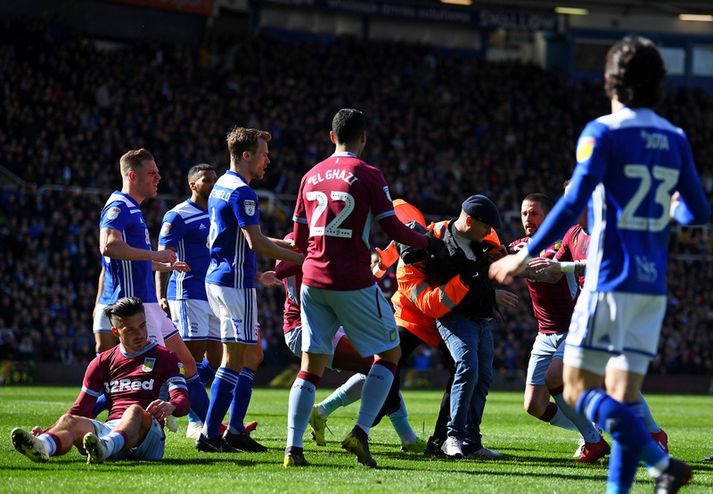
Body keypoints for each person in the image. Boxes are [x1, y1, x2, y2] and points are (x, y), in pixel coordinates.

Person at [489, 36, 710, 493]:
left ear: (609, 81)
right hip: (652, 289)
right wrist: (670, 209)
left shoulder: (603, 132)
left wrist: (524, 255)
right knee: (624, 399)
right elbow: (698, 212)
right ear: (660, 85)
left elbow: (572, 204)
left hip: (609, 280)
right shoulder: (675, 138)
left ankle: (660, 461)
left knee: (572, 387)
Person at [284, 108, 439, 468]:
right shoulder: (368, 174)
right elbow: (395, 230)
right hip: (351, 279)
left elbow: (300, 239)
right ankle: (360, 432)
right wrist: (429, 242)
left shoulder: (309, 176)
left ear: (331, 137)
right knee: (390, 354)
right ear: (364, 138)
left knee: (310, 366)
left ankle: (293, 450)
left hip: (312, 280)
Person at [528, 185, 670, 455]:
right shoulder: (572, 233)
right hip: (588, 315)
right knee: (602, 381)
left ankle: (620, 438)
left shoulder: (612, 229)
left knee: (598, 379)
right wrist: (529, 269)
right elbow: (555, 271)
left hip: (616, 311)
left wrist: (564, 267)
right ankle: (615, 438)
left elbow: (609, 265)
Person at [198, 127, 303, 454]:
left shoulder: (221, 187)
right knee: (233, 360)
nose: (267, 160)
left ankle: (232, 430)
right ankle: (211, 433)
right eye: (263, 154)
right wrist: (302, 258)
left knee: (248, 356)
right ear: (245, 155)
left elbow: (245, 239)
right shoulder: (243, 192)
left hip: (220, 278)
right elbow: (254, 242)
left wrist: (286, 245)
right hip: (233, 283)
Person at [274, 233, 421, 452]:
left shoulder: (300, 242)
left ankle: (320, 415)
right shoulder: (317, 245)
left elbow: (284, 268)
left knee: (379, 364)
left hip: (319, 325)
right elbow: (348, 285)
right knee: (381, 363)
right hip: (305, 327)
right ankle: (406, 437)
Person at [99, 148, 210, 431]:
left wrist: (166, 265)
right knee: (161, 369)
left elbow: (136, 262)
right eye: (152, 173)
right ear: (132, 175)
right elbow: (108, 246)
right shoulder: (118, 206)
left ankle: (213, 426)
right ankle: (95, 416)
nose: (158, 177)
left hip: (148, 303)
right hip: (137, 307)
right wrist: (154, 256)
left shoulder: (133, 208)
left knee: (188, 362)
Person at [11, 297, 190, 463]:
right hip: (112, 431)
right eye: (131, 330)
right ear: (115, 331)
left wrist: (171, 406)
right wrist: (49, 430)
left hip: (149, 438)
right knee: (69, 420)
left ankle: (104, 447)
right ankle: (42, 446)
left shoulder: (166, 357)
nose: (140, 334)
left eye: (143, 326)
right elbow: (81, 409)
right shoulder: (102, 362)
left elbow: (183, 400)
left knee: (134, 410)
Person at [411, 195, 518, 459]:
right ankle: (453, 437)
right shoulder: (439, 245)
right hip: (455, 318)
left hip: (481, 318)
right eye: (485, 226)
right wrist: (492, 297)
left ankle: (472, 441)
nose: (489, 232)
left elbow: (478, 279)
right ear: (469, 220)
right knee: (467, 367)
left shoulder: (479, 242)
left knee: (483, 379)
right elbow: (457, 289)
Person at [509, 193, 609, 462]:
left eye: (534, 214)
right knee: (534, 406)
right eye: (524, 214)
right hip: (544, 333)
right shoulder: (519, 245)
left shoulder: (560, 244)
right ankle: (592, 430)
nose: (528, 219)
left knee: (561, 379)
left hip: (573, 329)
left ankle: (594, 437)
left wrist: (521, 264)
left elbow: (548, 269)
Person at [156, 163, 222, 439]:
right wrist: (161, 294)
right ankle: (196, 420)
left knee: (218, 361)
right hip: (187, 292)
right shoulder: (178, 215)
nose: (212, 183)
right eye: (207, 180)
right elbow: (162, 255)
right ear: (192, 184)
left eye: (214, 179)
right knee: (191, 359)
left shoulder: (219, 213)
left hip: (215, 293)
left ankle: (167, 397)